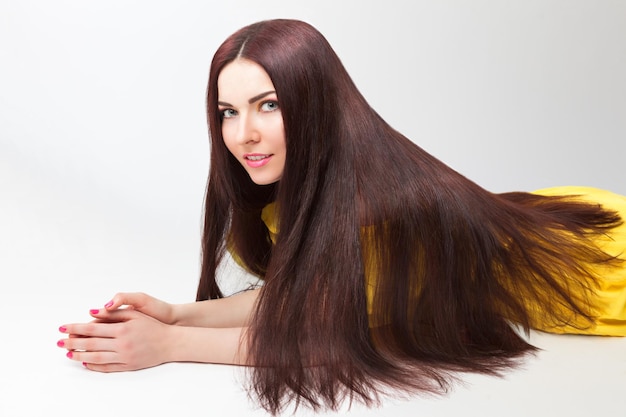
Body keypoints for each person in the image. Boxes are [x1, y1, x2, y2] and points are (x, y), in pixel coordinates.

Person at [58, 18, 626, 415]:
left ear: (314, 103)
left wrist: (166, 345)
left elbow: (323, 336)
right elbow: (302, 296)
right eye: (228, 112)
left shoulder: (378, 214)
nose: (243, 134)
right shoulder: (302, 195)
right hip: (554, 219)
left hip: (597, 269)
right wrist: (177, 315)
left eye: (269, 105)